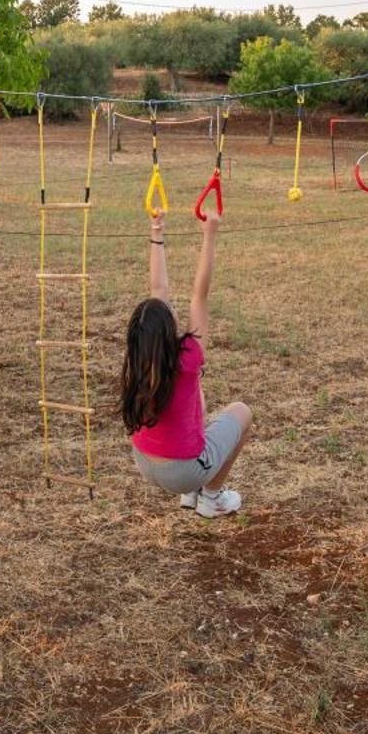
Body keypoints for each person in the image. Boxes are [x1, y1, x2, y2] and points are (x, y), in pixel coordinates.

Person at [119, 205, 252, 517]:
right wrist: (210, 235)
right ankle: (211, 497)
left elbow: (157, 290)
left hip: (144, 460)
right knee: (241, 413)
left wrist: (157, 231)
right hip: (182, 471)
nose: (172, 307)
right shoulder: (188, 357)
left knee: (198, 399)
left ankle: (191, 494)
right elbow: (199, 296)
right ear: (168, 328)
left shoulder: (139, 359)